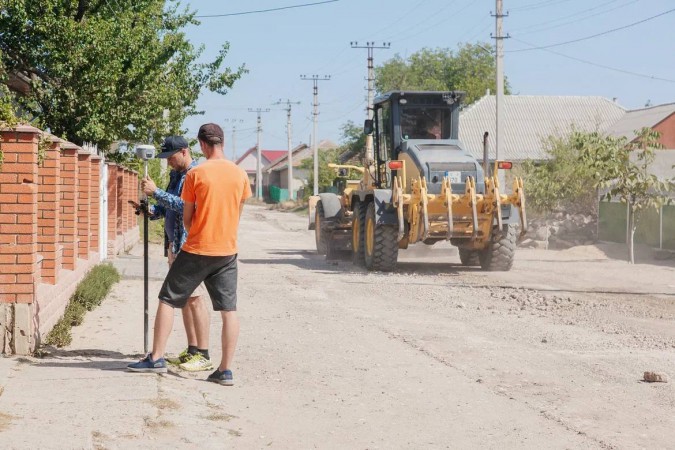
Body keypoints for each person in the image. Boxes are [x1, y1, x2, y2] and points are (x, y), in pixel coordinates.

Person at [128, 123, 252, 387]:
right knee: (229, 310)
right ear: (222, 142)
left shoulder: (198, 173)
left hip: (197, 248)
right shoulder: (240, 174)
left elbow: (187, 218)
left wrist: (193, 235)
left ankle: (157, 357)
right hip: (227, 250)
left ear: (202, 145)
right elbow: (238, 213)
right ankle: (225, 371)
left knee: (167, 299)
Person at [139, 136, 213, 372]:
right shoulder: (175, 176)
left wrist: (157, 192)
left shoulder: (195, 174)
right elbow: (166, 209)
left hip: (189, 244)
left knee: (195, 298)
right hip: (174, 245)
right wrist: (150, 210)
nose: (169, 162)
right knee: (185, 301)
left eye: (171, 157)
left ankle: (203, 352)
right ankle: (192, 350)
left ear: (183, 152)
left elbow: (187, 206)